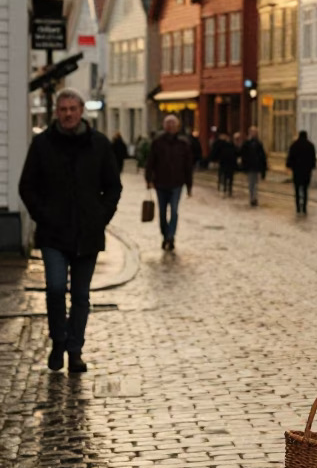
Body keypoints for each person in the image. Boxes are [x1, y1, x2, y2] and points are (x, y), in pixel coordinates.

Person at [18, 87, 122, 373]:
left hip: (88, 233)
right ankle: (58, 341)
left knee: (80, 295)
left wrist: (101, 216)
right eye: (63, 110)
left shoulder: (98, 144)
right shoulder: (43, 145)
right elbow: (26, 185)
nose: (68, 114)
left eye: (72, 109)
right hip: (53, 233)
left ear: (80, 112)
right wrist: (43, 214)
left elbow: (113, 186)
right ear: (56, 112)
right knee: (53, 288)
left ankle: (75, 349)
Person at [145, 115, 193, 250]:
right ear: (164, 126)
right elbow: (150, 162)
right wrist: (148, 179)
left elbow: (188, 166)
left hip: (177, 183)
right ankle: (165, 234)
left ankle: (170, 236)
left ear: (177, 126)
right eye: (168, 123)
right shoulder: (157, 142)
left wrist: (189, 185)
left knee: (174, 210)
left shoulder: (183, 144)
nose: (170, 126)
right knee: (161, 212)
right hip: (160, 183)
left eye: (173, 124)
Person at [286, 130, 316, 214]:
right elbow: (313, 158)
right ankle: (304, 207)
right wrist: (312, 167)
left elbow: (290, 157)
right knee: (305, 189)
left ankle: (298, 206)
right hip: (306, 171)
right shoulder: (310, 146)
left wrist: (289, 166)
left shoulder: (294, 145)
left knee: (297, 189)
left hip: (297, 171)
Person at [239, 126, 268, 206]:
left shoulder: (258, 143)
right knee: (252, 183)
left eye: (256, 132)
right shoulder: (247, 143)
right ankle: (252, 197)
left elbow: (262, 156)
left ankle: (254, 197)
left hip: (256, 166)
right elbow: (242, 153)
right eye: (253, 132)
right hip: (250, 167)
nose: (255, 134)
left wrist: (263, 168)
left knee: (255, 183)